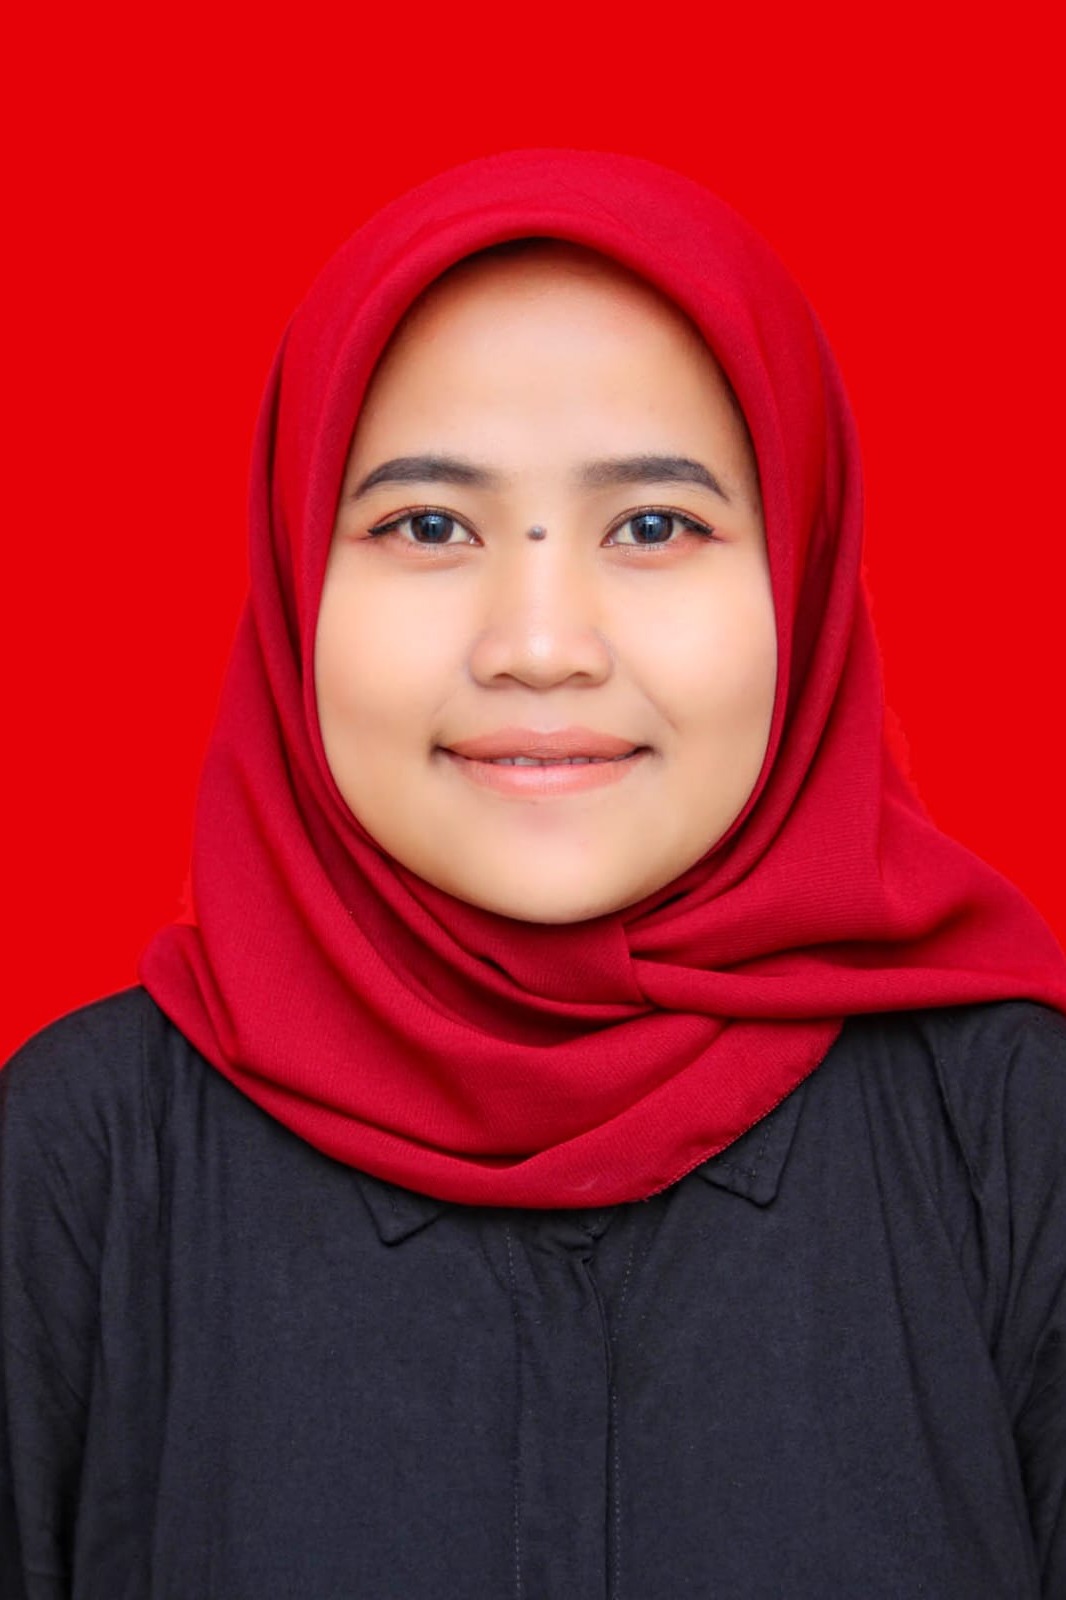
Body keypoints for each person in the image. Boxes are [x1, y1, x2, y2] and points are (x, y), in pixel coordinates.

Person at [2, 149, 1066, 1599]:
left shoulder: (1010, 1137)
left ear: (802, 579)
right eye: (427, 526)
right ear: (297, 577)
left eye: (655, 525)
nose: (542, 644)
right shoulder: (81, 1158)